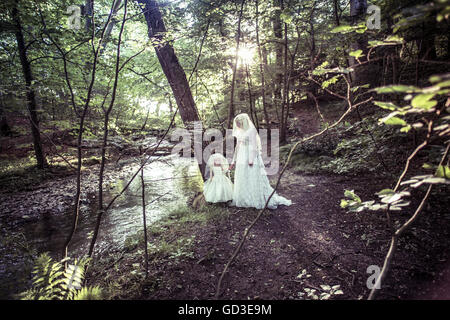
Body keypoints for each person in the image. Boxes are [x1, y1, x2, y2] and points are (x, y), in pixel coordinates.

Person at [229, 113, 291, 209]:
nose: (237, 125)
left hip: (250, 155)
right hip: (242, 155)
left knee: (252, 175)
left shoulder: (251, 131)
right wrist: (233, 161)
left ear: (243, 122)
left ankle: (255, 198)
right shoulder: (239, 132)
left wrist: (251, 159)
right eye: (236, 123)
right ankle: (244, 198)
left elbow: (255, 146)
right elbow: (237, 147)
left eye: (238, 123)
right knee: (243, 175)